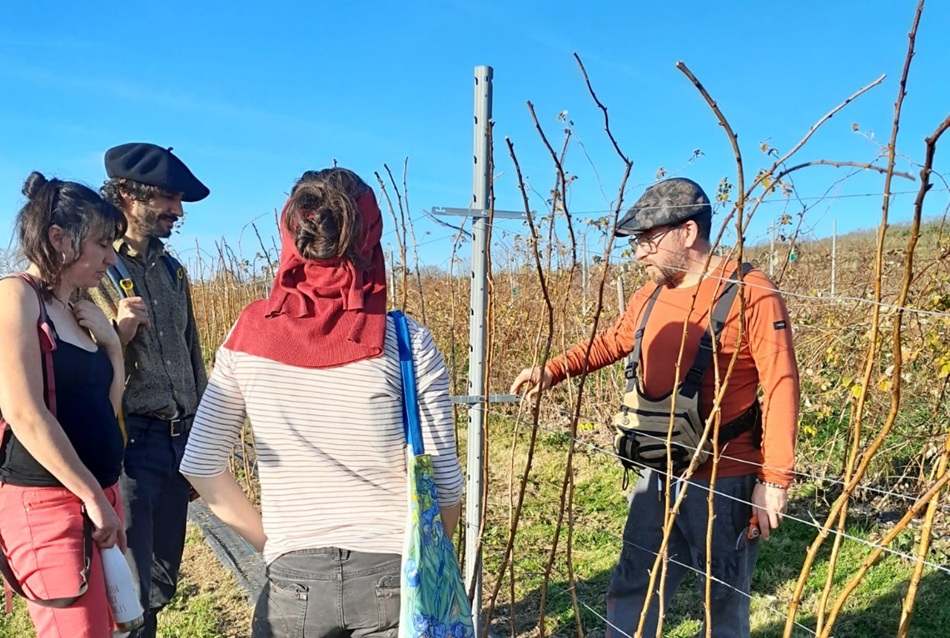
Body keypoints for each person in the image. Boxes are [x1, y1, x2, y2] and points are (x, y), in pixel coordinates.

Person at [180, 167, 464, 638]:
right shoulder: (405, 341)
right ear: (371, 236)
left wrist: (277, 546)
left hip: (291, 584)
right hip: (393, 576)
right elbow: (445, 486)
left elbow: (201, 464)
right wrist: (428, 565)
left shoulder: (247, 335)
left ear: (292, 235)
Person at [510, 178, 800, 638]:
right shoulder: (652, 294)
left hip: (723, 480)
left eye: (648, 238)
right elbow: (614, 340)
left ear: (687, 232)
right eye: (637, 241)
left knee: (722, 603)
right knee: (633, 585)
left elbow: (783, 384)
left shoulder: (750, 292)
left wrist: (774, 480)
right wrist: (553, 370)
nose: (639, 251)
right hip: (657, 469)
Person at [89, 142, 210, 638]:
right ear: (126, 194)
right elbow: (73, 366)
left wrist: (204, 445)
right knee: (130, 583)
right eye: (167, 198)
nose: (177, 212)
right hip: (130, 443)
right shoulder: (93, 269)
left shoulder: (172, 271)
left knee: (161, 576)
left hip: (178, 442)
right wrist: (116, 335)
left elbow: (192, 356)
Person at [0, 172, 128, 637]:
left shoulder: (76, 308)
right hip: (50, 504)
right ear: (60, 239)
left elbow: (106, 407)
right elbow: (25, 413)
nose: (111, 259)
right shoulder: (17, 297)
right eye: (101, 245)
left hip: (99, 499)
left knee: (107, 626)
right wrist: (93, 496)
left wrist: (113, 345)